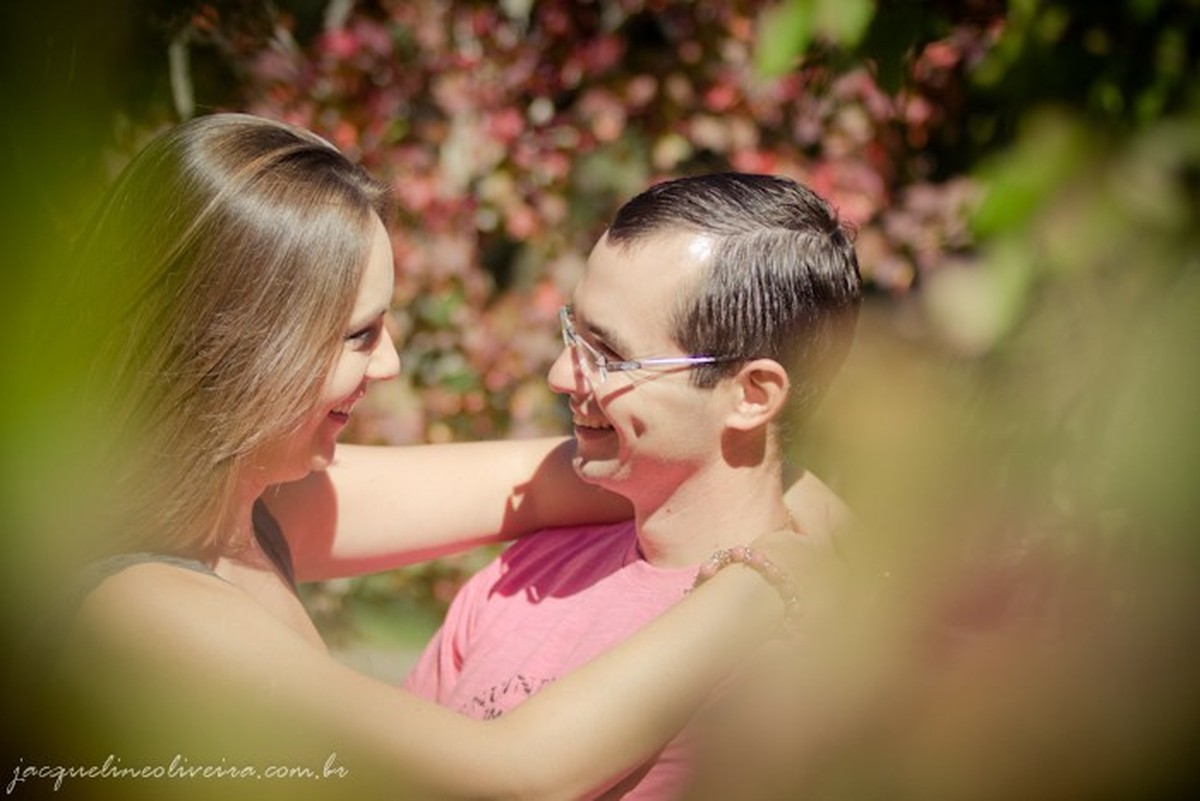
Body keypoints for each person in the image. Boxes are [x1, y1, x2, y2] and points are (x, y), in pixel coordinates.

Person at [35, 113, 817, 801]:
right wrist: (767, 575)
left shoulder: (245, 502)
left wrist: (808, 488)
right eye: (359, 335)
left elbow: (539, 487)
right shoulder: (137, 605)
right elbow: (518, 772)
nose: (390, 366)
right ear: (240, 350)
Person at [402, 173, 862, 798]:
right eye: (574, 332)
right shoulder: (528, 573)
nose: (562, 374)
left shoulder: (813, 670)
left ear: (752, 395)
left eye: (608, 355)